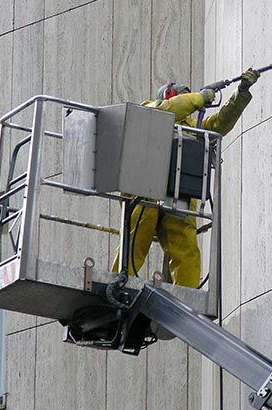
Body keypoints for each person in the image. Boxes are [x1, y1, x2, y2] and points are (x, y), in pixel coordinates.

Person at [110, 68, 260, 288]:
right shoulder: (149, 109)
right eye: (185, 98)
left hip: (178, 194)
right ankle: (116, 282)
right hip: (144, 189)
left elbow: (221, 123)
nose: (191, 106)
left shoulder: (193, 128)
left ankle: (187, 295)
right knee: (134, 241)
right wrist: (199, 97)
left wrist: (241, 92)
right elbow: (165, 111)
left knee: (186, 249)